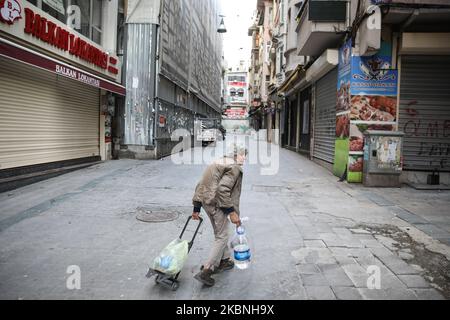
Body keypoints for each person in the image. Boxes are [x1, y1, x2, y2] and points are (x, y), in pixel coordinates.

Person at [191, 144, 248, 286]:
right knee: (222, 236)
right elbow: (223, 190)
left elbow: (201, 184)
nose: (244, 158)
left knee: (220, 233)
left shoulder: (219, 162)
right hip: (215, 203)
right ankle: (207, 270)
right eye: (242, 154)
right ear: (235, 155)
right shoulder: (233, 167)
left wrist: (197, 206)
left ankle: (224, 260)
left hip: (206, 201)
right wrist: (231, 212)